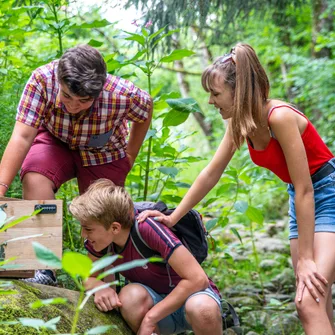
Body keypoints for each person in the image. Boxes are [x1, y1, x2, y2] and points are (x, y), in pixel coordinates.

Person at [137, 43, 335, 335]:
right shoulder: (240, 123)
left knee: (308, 300)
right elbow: (210, 174)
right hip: (300, 198)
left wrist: (305, 257)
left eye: (216, 94)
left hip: (326, 191)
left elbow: (307, 187)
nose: (211, 102)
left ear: (239, 91)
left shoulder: (278, 117)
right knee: (320, 297)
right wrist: (173, 217)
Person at [0, 44, 152, 284]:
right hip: (55, 140)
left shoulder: (122, 94)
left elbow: (145, 110)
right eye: (67, 96)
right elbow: (22, 136)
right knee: (35, 176)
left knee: (102, 210)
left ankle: (99, 280)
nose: (72, 106)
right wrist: (0, 187)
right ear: (58, 80)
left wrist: (130, 154)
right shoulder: (41, 81)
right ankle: (43, 269)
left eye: (83, 101)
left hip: (103, 151)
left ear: (99, 91)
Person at [69, 179, 223, 335]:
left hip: (191, 299)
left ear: (115, 227)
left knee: (202, 307)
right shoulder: (101, 242)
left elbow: (198, 279)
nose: (83, 235)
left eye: (88, 229)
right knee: (129, 297)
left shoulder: (146, 228)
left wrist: (151, 317)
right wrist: (99, 287)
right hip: (154, 301)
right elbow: (88, 277)